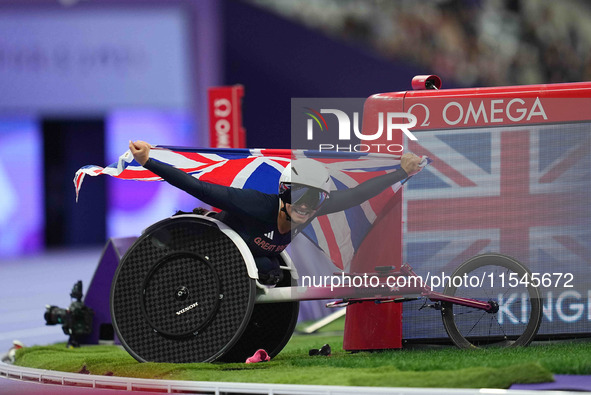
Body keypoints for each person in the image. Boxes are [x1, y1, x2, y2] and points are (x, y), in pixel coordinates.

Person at [129, 140, 422, 284]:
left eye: (315, 198)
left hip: (251, 259)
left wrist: (401, 171)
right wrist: (148, 161)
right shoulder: (255, 203)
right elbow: (201, 188)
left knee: (274, 273)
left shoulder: (314, 207)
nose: (305, 206)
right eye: (298, 195)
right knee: (267, 269)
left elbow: (358, 194)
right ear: (283, 193)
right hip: (211, 252)